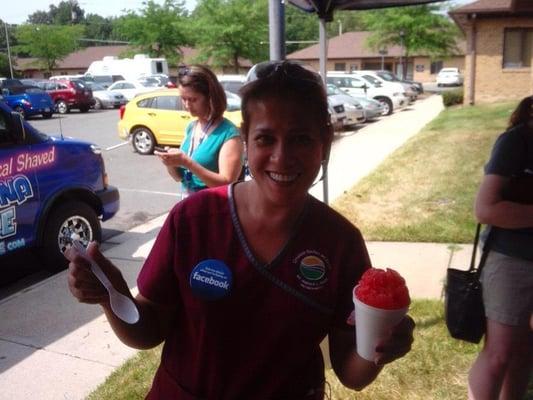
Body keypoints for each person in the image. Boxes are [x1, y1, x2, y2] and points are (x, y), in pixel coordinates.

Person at [65, 61, 414, 399]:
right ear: (245, 139)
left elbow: (350, 374)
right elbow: (147, 330)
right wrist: (111, 295)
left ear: (324, 140)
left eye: (301, 139)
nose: (282, 156)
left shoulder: (340, 244)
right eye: (265, 139)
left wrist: (378, 348)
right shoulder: (193, 219)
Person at [469, 96, 533, 400]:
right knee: (501, 352)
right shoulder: (517, 141)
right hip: (512, 259)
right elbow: (485, 209)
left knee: (524, 350)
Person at [155, 64, 243, 196]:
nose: (187, 105)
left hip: (213, 210)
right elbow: (179, 178)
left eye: (193, 99)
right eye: (183, 99)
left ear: (210, 97)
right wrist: (170, 162)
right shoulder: (191, 127)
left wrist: (187, 162)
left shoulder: (229, 134)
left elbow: (227, 183)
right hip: (189, 207)